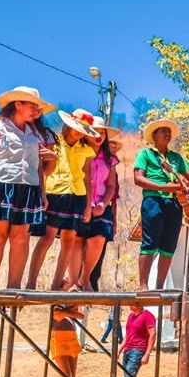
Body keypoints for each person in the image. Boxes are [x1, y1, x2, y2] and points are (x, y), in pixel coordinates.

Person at [0, 86, 55, 290]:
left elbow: (39, 168)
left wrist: (42, 193)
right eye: (32, 105)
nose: (36, 110)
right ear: (18, 104)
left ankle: (14, 286)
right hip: (1, 186)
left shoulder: (37, 134)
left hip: (29, 188)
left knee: (20, 238)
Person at [27, 108, 99, 291]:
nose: (79, 132)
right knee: (47, 238)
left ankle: (55, 285)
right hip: (55, 193)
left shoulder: (87, 150)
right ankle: (31, 283)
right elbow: (41, 170)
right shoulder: (54, 142)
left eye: (83, 130)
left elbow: (87, 178)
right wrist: (42, 193)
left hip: (77, 196)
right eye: (77, 127)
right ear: (68, 124)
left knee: (69, 240)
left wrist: (88, 207)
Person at [133, 119, 189, 290]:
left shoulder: (176, 157)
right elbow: (138, 179)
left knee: (169, 245)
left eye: (168, 131)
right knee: (150, 242)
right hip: (153, 200)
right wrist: (166, 187)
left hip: (174, 202)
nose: (167, 134)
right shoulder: (145, 154)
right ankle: (143, 286)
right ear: (154, 135)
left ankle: (160, 286)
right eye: (162, 131)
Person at [76, 116, 120, 291]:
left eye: (102, 132)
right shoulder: (79, 152)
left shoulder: (110, 159)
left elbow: (111, 185)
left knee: (98, 239)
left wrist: (103, 204)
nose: (99, 135)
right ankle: (73, 279)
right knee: (77, 242)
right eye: (94, 131)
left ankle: (85, 278)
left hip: (102, 204)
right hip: (80, 201)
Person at [118, 304, 157, 377]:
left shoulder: (147, 315)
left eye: (131, 302)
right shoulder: (131, 315)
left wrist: (147, 354)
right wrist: (119, 350)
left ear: (138, 304)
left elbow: (153, 334)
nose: (129, 305)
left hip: (138, 349)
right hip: (127, 350)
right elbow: (127, 334)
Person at [50, 302, 84, 377]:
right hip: (59, 341)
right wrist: (71, 310)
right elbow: (58, 314)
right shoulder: (55, 306)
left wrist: (68, 310)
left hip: (72, 339)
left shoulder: (67, 306)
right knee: (66, 375)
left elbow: (81, 315)